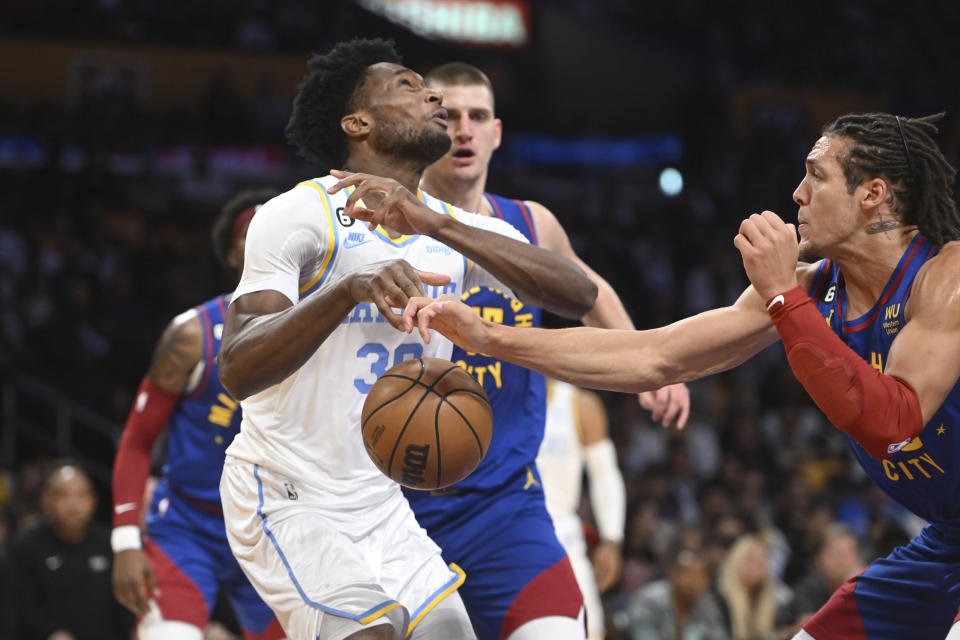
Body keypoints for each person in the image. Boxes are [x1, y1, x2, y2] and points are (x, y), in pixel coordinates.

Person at [405, 111, 960, 640]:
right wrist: (489, 339)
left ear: (873, 194)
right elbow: (652, 357)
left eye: (817, 175)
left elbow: (893, 421)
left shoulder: (943, 276)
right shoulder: (815, 287)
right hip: (947, 542)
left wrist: (783, 298)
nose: (798, 193)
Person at [215, 38, 597, 640]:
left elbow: (576, 294)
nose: (434, 95)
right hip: (286, 493)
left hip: (381, 501)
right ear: (357, 121)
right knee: (372, 633)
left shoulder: (447, 227)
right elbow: (236, 368)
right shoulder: (298, 214)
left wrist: (438, 222)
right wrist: (344, 291)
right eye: (408, 86)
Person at [402, 61, 684, 640]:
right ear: (422, 127)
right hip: (398, 502)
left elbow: (588, 290)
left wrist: (647, 366)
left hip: (506, 505)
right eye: (447, 116)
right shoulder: (388, 220)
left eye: (477, 117)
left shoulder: (531, 224)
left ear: (497, 132)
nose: (464, 130)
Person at [110, 189, 284, 640]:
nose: (268, 240)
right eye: (252, 233)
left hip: (280, 530)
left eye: (280, 230)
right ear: (231, 253)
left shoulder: (331, 333)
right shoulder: (192, 334)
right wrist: (126, 539)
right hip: (190, 527)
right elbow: (136, 440)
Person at [536, 378, 626, 640]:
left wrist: (611, 538)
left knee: (590, 631)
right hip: (506, 533)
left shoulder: (580, 403)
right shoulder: (497, 393)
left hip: (563, 537)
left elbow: (605, 475)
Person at [10, 460, 134, 640]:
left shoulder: (109, 544)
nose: (73, 504)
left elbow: (124, 608)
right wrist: (50, 634)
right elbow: (19, 609)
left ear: (93, 500)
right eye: (63, 495)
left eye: (81, 496)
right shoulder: (25, 547)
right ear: (47, 499)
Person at [628, 536, 729, 640]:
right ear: (673, 574)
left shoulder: (708, 605)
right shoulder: (647, 599)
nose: (693, 582)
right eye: (688, 574)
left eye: (700, 576)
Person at [716, 534, 793, 640]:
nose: (757, 565)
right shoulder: (719, 601)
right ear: (737, 562)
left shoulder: (770, 604)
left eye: (761, 560)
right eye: (750, 559)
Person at [790, 523, 863, 626]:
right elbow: (807, 626)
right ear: (818, 559)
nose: (840, 561)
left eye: (846, 554)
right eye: (834, 554)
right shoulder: (806, 589)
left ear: (858, 559)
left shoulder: (867, 588)